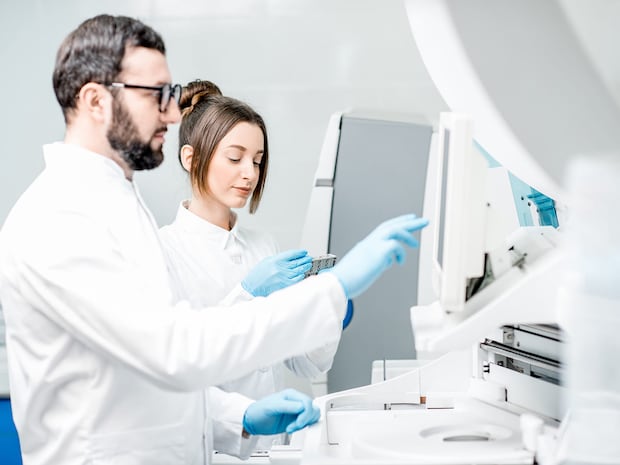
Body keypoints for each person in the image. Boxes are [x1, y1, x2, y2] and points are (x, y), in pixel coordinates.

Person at [0, 14, 429, 465]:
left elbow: (150, 378)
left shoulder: (116, 203)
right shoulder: (63, 216)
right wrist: (333, 290)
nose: (171, 111)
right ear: (94, 101)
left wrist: (242, 415)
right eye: (157, 95)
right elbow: (176, 351)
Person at [159, 80, 340, 451]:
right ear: (190, 158)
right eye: (235, 157)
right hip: (211, 449)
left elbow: (306, 364)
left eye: (257, 161)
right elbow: (180, 367)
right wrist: (247, 294)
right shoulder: (163, 250)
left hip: (274, 450)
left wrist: (326, 310)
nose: (251, 174)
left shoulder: (263, 247)